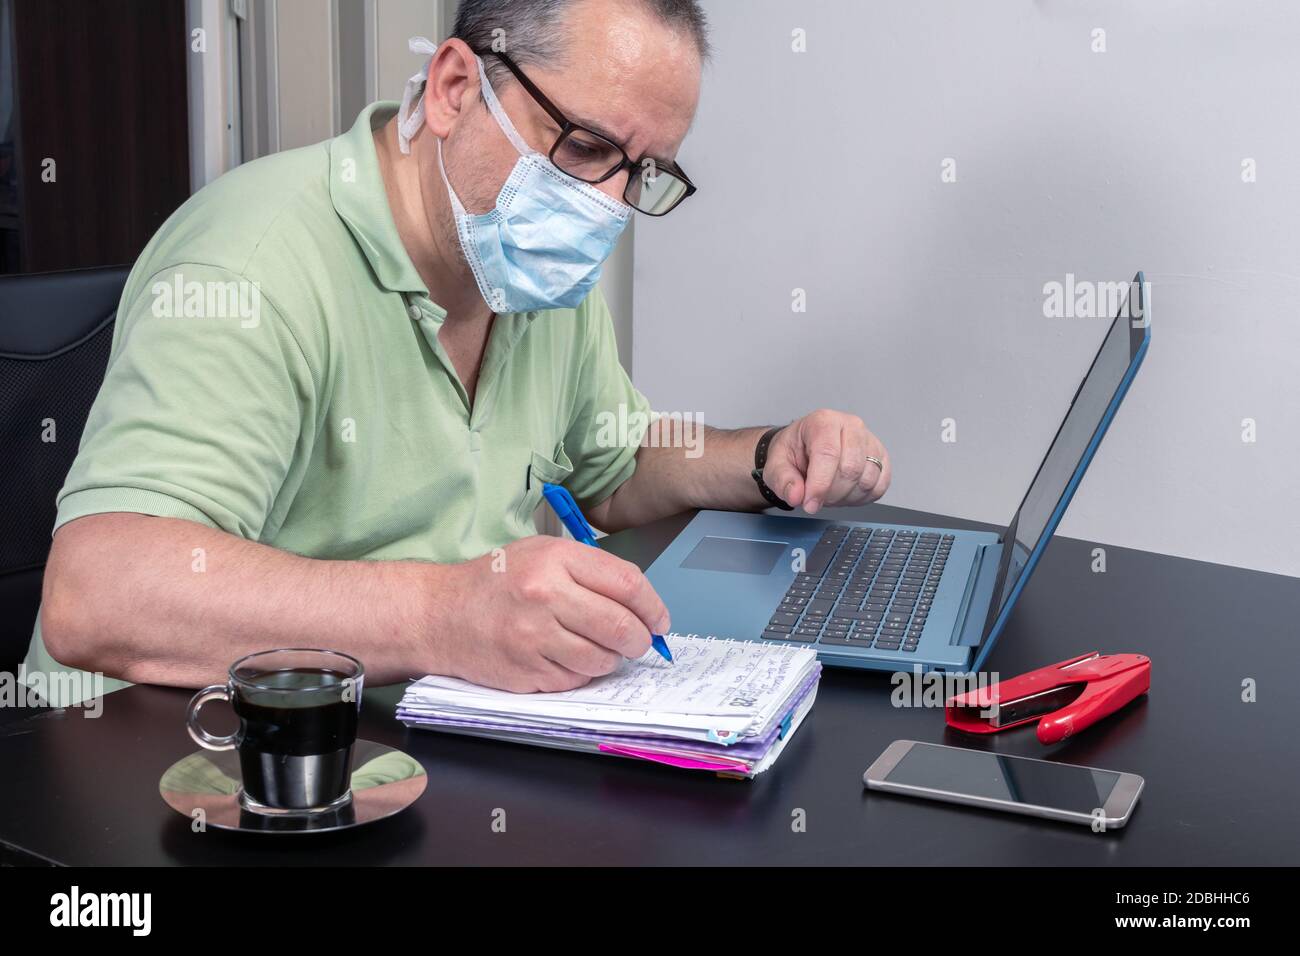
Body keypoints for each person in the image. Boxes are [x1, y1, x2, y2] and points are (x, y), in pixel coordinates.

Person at [30, 0, 890, 702]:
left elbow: (615, 462)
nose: (609, 206)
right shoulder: (250, 267)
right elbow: (100, 591)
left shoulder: (532, 272)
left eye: (643, 171)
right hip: (161, 770)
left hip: (405, 743)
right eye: (586, 147)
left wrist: (770, 455)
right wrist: (447, 614)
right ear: (452, 88)